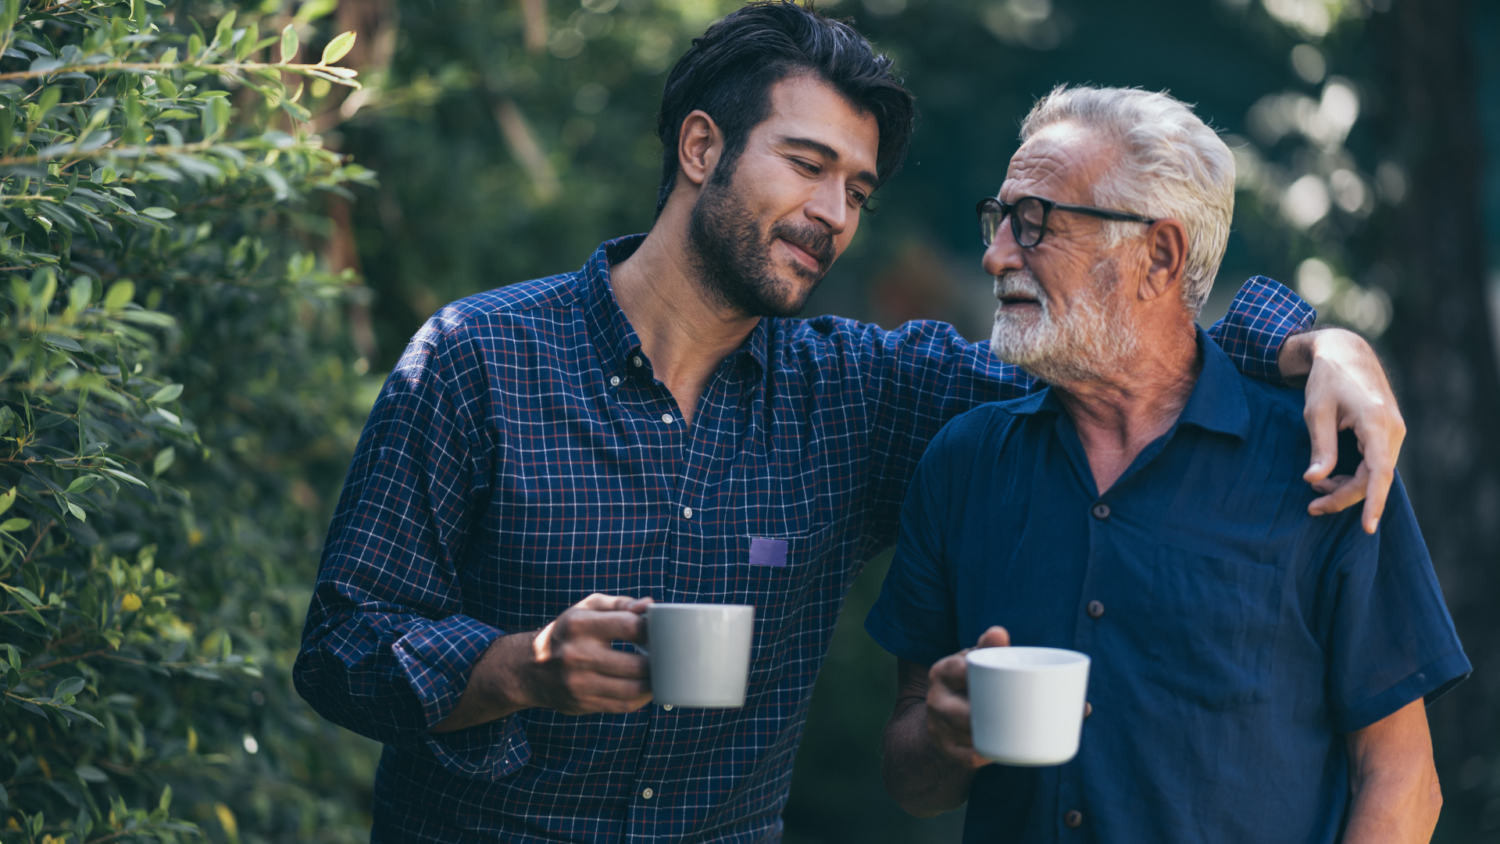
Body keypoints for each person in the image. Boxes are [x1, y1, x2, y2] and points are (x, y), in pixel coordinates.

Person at [292, 5, 1407, 842]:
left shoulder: (863, 397)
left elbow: (1119, 354)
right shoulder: (482, 358)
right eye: (809, 165)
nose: (833, 215)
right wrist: (522, 664)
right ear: (699, 149)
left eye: (859, 190)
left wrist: (1311, 344)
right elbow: (342, 645)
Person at [868, 86, 1469, 844]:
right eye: (999, 219)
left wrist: (1332, 341)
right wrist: (944, 738)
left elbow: (1402, 778)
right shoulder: (964, 461)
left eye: (1034, 224)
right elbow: (909, 778)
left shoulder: (1320, 463)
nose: (995, 254)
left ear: (1159, 255)